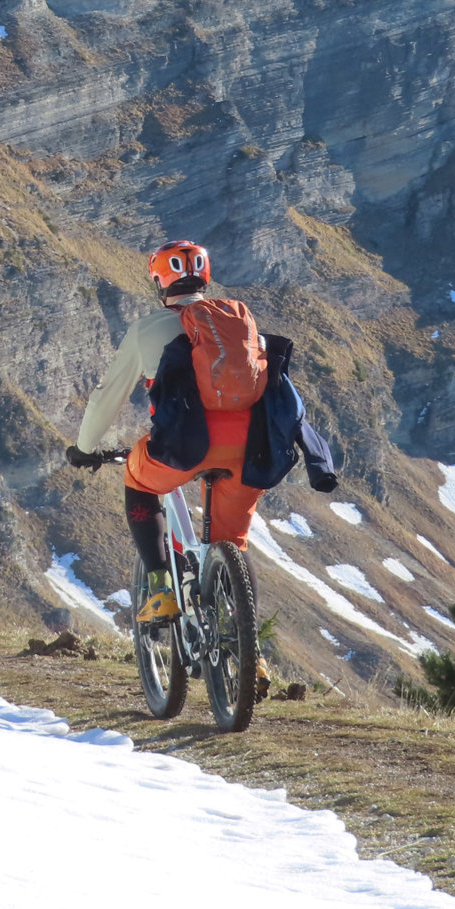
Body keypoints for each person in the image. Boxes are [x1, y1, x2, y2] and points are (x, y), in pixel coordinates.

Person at [66, 240, 337, 623]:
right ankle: (247, 654)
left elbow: (106, 396)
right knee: (233, 550)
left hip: (184, 447)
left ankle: (160, 590)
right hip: (250, 451)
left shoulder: (146, 330)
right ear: (205, 278)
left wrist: (85, 448)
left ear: (160, 283)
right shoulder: (240, 327)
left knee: (139, 481)